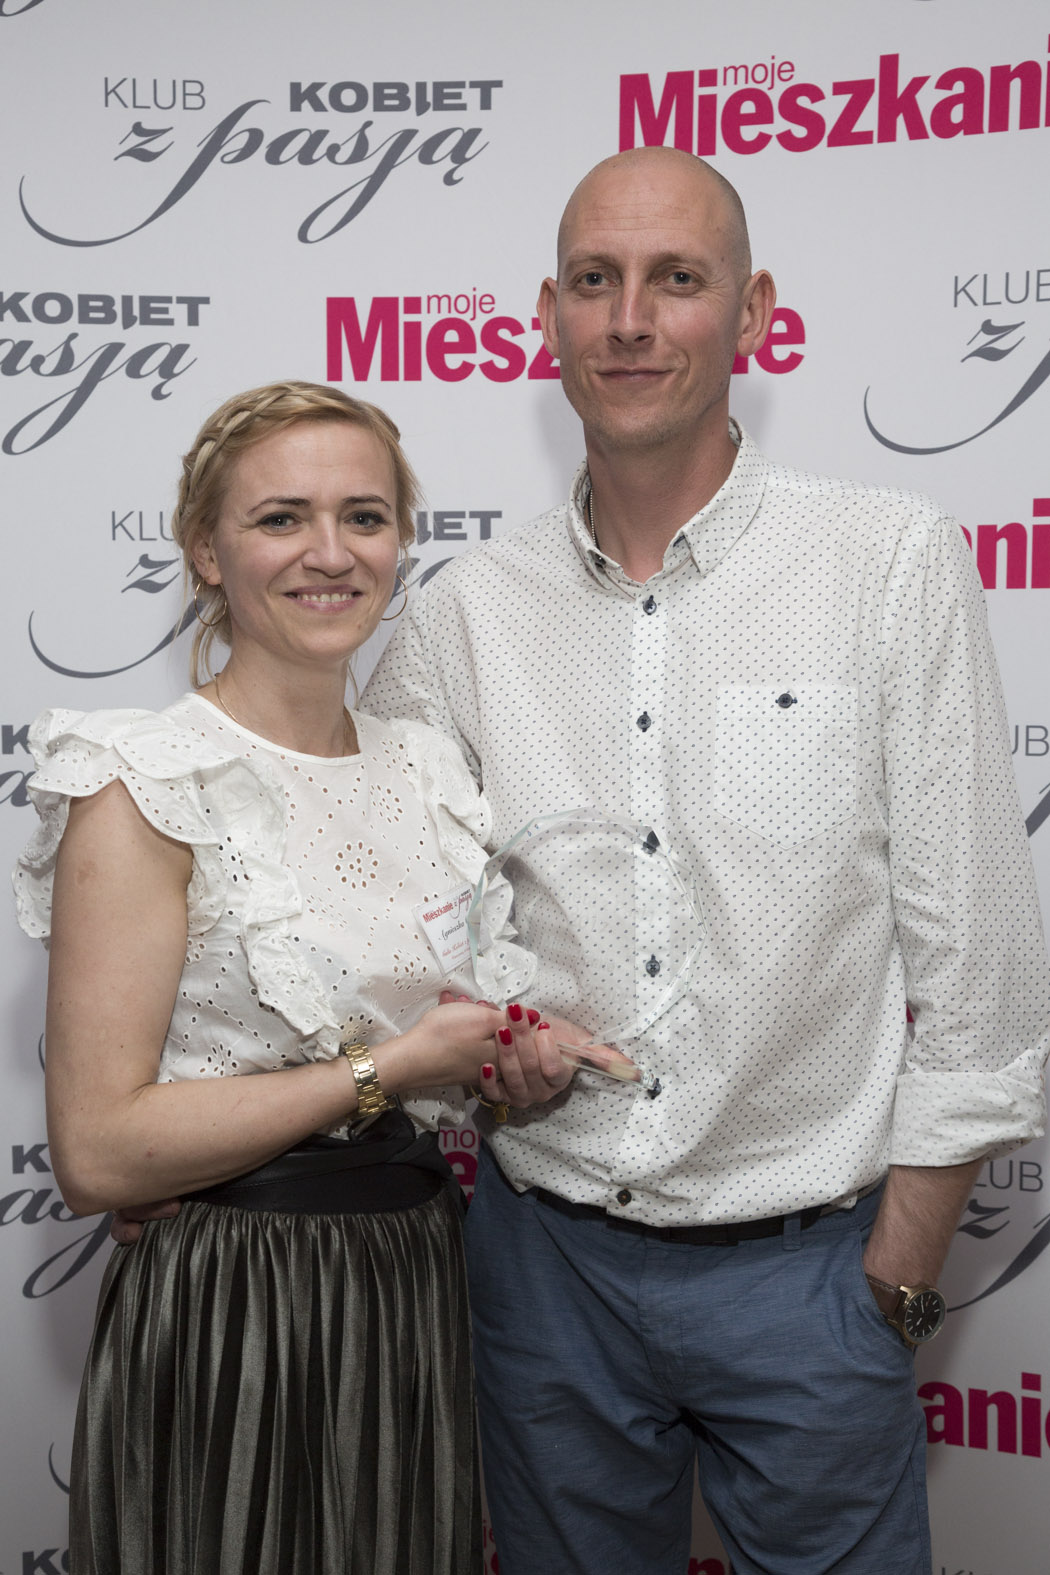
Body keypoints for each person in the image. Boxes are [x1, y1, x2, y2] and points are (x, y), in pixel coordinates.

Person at [363, 149, 1050, 1574]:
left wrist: (899, 1275)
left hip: (814, 1270)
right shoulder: (461, 614)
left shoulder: (888, 561)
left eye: (676, 279)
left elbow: (978, 956)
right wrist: (487, 1043)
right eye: (595, 280)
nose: (630, 320)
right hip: (540, 1268)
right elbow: (406, 920)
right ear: (546, 313)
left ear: (752, 313)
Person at [13, 380, 612, 1575]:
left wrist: (507, 1068)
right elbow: (99, 1155)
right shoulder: (145, 778)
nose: (330, 554)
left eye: (364, 517)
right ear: (206, 551)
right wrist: (396, 1066)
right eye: (281, 518)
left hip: (410, 1277)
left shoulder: (427, 766)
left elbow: (440, 1050)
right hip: (233, 1296)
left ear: (401, 543)